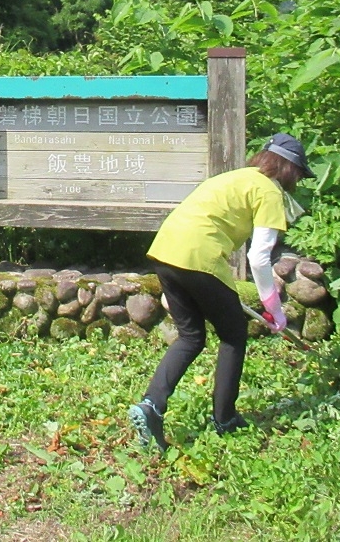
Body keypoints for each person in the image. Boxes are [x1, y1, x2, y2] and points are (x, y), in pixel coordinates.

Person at [127, 132, 314, 451]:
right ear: (289, 169)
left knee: (190, 337)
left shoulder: (239, 176)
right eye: (297, 174)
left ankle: (151, 406)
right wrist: (274, 307)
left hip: (165, 250)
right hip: (201, 257)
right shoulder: (269, 191)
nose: (296, 181)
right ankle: (225, 418)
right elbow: (258, 258)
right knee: (233, 334)